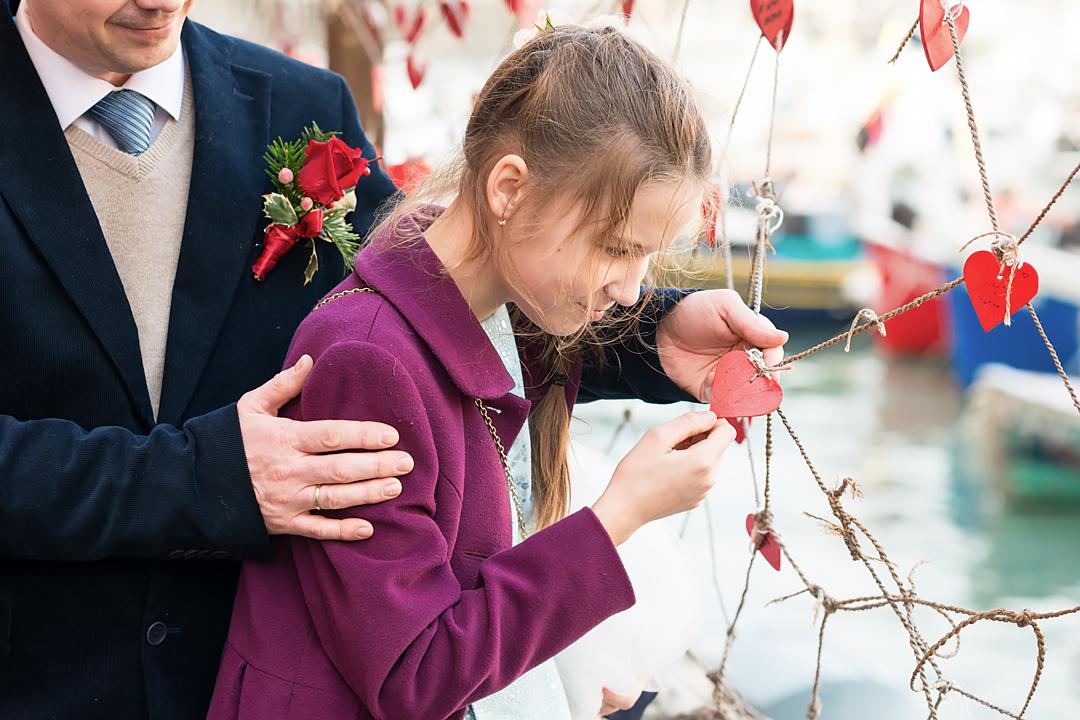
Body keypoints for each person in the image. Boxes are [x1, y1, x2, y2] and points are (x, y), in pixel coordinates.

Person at [0, 1, 785, 717]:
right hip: (48, 668)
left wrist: (656, 327)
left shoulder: (302, 104)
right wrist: (200, 478)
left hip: (296, 656)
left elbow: (448, 292)